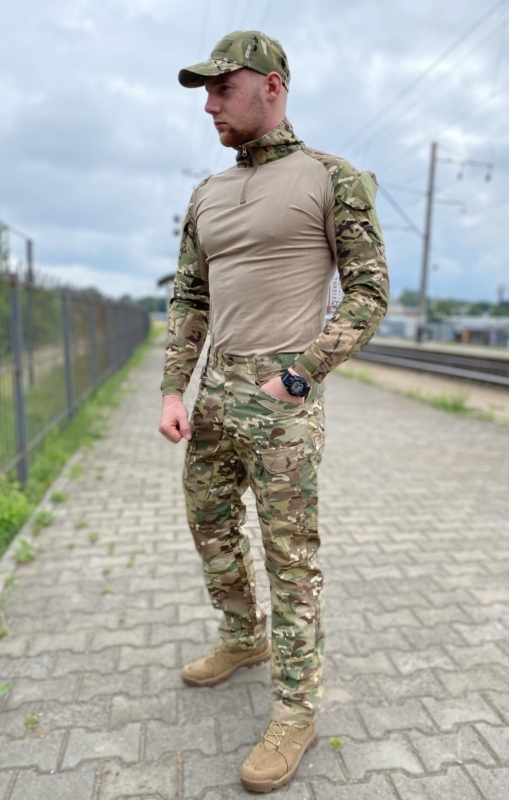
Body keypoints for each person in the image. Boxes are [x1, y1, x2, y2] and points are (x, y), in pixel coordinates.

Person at [158, 29, 389, 793]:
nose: (210, 105)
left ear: (273, 86)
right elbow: (189, 296)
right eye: (206, 92)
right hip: (215, 394)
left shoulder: (332, 177)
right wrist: (173, 389)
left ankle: (296, 708)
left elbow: (368, 293)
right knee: (210, 525)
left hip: (282, 396)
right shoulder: (206, 194)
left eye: (223, 89)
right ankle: (241, 637)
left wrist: (303, 374)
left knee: (291, 557)